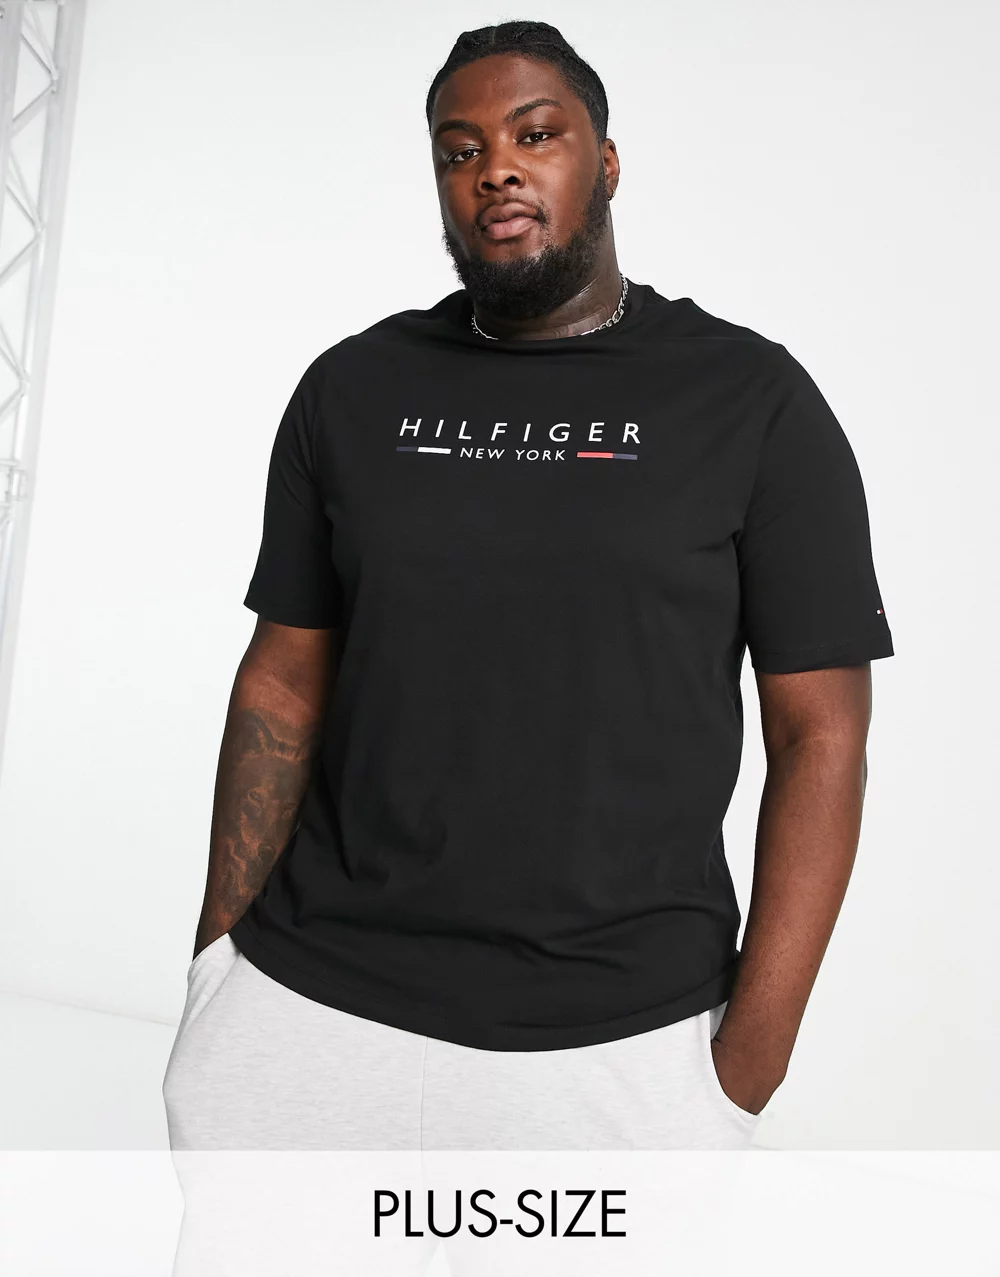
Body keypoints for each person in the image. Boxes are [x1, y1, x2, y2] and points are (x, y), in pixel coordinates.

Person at [162, 20, 894, 1156]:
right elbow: (285, 679)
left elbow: (821, 738)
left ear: (607, 161)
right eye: (459, 150)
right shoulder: (353, 388)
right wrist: (219, 956)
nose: (494, 168)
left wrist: (746, 1064)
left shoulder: (752, 402)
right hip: (306, 1007)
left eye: (535, 135)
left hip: (612, 1044)